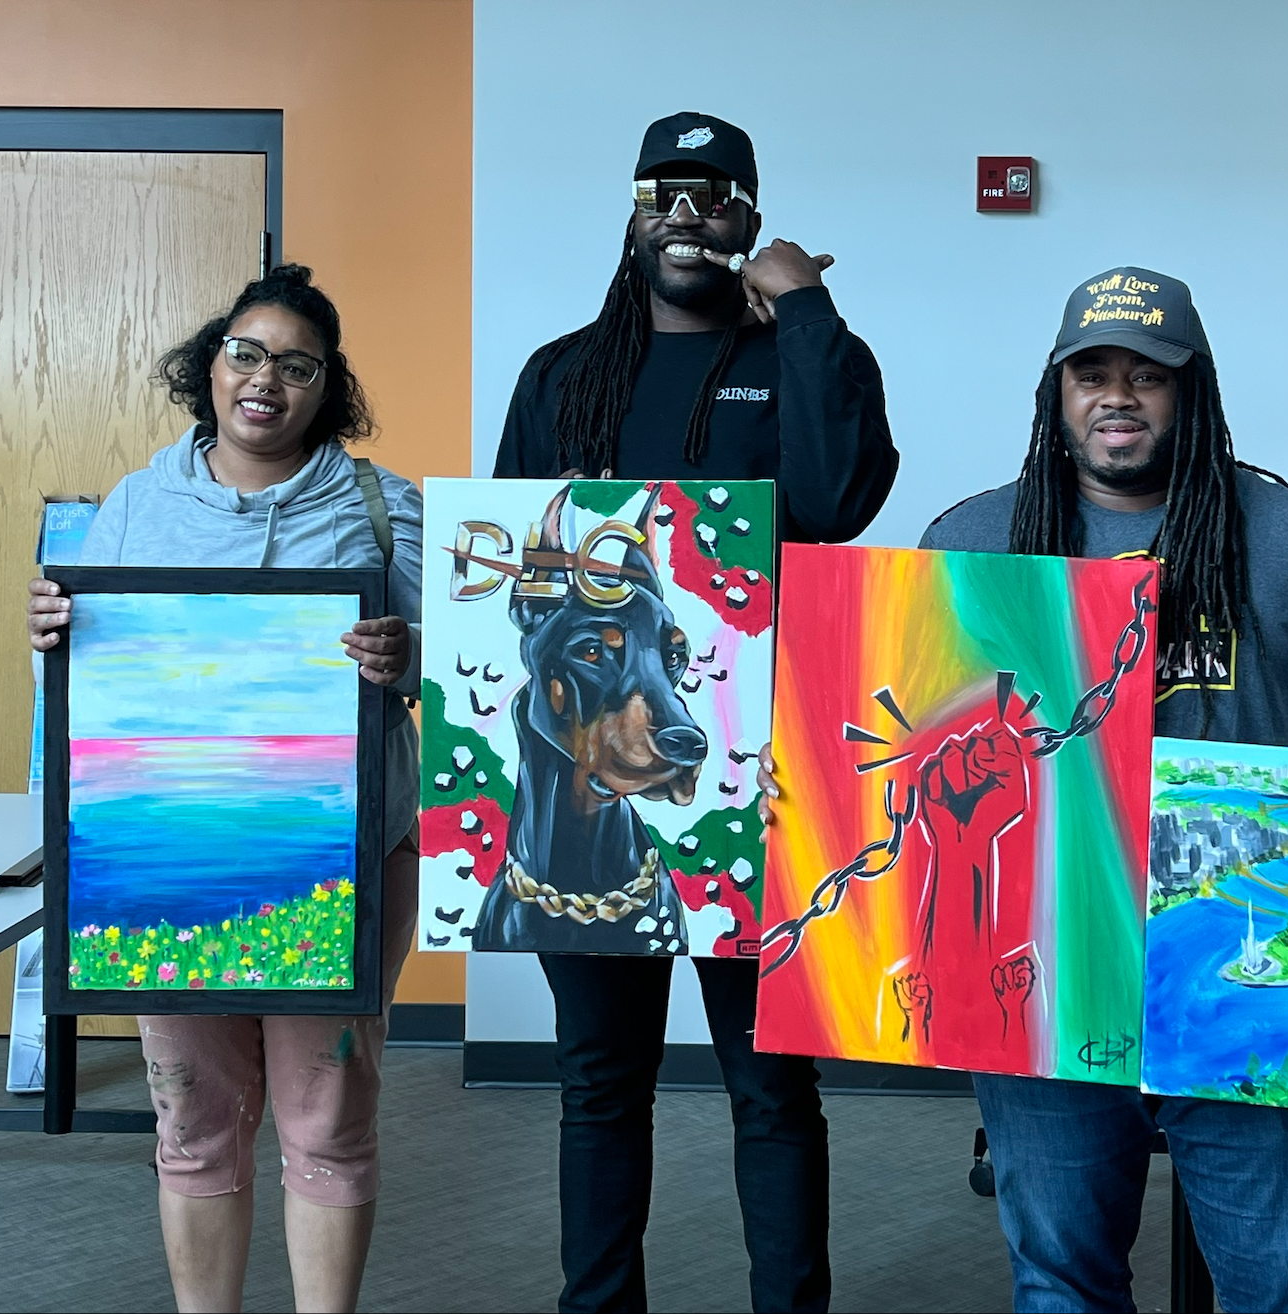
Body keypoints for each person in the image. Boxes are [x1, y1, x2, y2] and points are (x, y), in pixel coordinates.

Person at [761, 266, 1288, 1313]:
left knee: (1283, 1279)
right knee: (1059, 1275)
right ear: (1054, 398)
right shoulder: (970, 540)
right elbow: (896, 722)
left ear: (1190, 396)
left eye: (1146, 377)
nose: (1116, 397)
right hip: (1041, 962)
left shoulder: (1284, 532)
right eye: (1089, 375)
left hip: (1238, 958)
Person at [494, 111, 898, 1313]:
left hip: (763, 781)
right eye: (661, 191)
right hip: (592, 792)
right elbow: (524, 563)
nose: (687, 213)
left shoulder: (810, 357)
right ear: (629, 213)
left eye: (716, 195)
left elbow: (831, 507)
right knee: (597, 1083)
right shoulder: (563, 372)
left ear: (751, 219)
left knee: (770, 1084)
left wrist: (808, 314)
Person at [26, 264, 424, 1314]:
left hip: (343, 864)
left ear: (325, 386)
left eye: (298, 364)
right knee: (192, 1124)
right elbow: (82, 692)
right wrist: (51, 643)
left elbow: (467, 672)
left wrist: (407, 654)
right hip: (168, 868)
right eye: (246, 353)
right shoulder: (134, 507)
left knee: (329, 1120)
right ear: (209, 365)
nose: (266, 380)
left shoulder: (385, 511)